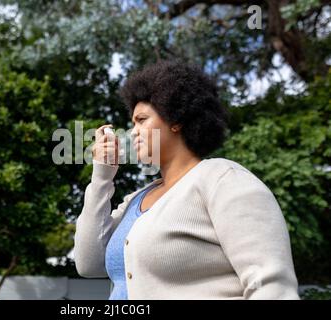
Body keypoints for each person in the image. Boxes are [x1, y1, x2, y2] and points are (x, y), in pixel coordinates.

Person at [74, 59, 299, 299]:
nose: (133, 131)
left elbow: (271, 288)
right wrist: (101, 176)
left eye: (142, 120)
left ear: (175, 119)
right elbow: (89, 264)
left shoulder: (223, 180)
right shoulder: (136, 200)